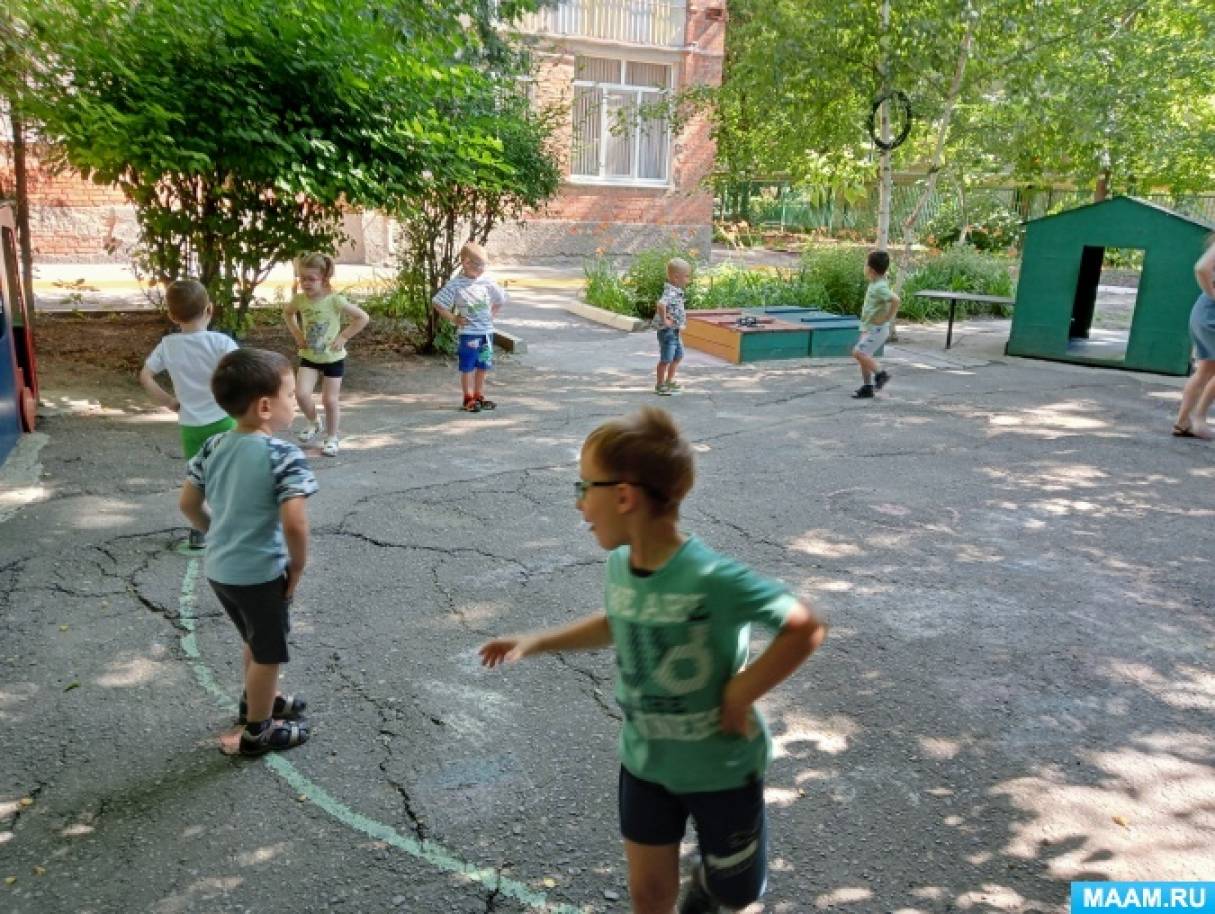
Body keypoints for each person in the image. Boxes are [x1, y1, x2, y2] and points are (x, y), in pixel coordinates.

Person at [480, 408, 827, 914]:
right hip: (645, 762)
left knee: (736, 892)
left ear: (623, 496)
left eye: (584, 488)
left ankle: (710, 884)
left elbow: (805, 625)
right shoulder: (621, 565)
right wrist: (537, 641)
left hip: (722, 768)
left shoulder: (712, 577)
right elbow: (620, 619)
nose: (580, 505)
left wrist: (742, 690)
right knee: (648, 895)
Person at [179, 348, 317, 757]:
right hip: (260, 572)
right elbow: (295, 523)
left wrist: (216, 532)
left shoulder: (213, 445)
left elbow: (188, 505)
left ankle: (257, 699)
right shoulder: (284, 456)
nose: (293, 402)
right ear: (264, 406)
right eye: (290, 395)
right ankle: (259, 730)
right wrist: (298, 566)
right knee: (268, 652)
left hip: (221, 570)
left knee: (254, 641)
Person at [139, 279, 238, 549]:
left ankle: (200, 528)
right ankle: (233, 523)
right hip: (224, 419)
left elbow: (146, 376)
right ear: (209, 309)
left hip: (190, 424)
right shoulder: (221, 343)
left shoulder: (169, 345)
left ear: (172, 315)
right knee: (228, 473)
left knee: (198, 476)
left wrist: (168, 401)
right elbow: (243, 374)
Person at [284, 252, 370, 456]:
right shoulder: (300, 300)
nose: (305, 283)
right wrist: (297, 333)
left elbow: (362, 318)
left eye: (311, 279)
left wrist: (344, 337)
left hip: (333, 358)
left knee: (330, 400)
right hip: (309, 356)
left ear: (323, 279)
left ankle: (332, 438)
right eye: (302, 278)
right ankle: (314, 422)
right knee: (301, 394)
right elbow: (287, 313)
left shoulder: (335, 301)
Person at [432, 243, 509, 413]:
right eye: (478, 265)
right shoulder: (456, 284)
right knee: (467, 366)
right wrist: (454, 318)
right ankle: (468, 398)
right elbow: (438, 303)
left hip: (486, 334)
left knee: (483, 365)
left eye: (484, 265)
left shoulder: (486, 281)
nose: (482, 269)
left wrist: (492, 315)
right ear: (466, 262)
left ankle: (479, 395)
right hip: (469, 334)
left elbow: (501, 298)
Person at [1172, 238, 1215, 439]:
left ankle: (1183, 422)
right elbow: (1201, 268)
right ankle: (1198, 419)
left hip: (1205, 311)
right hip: (1211, 312)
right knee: (1208, 369)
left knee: (1206, 368)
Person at [851, 250, 900, 399]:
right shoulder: (876, 283)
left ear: (871, 269)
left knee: (858, 353)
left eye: (866, 264)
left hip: (877, 329)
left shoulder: (880, 287)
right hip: (869, 327)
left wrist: (886, 318)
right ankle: (867, 387)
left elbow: (896, 300)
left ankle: (880, 374)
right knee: (863, 357)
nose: (864, 266)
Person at [654, 259, 692, 396]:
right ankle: (660, 384)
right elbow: (661, 304)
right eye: (687, 276)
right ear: (676, 277)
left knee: (678, 356)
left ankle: (669, 381)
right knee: (666, 359)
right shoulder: (670, 292)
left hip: (675, 331)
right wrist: (665, 320)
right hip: (667, 332)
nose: (689, 279)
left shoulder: (676, 290)